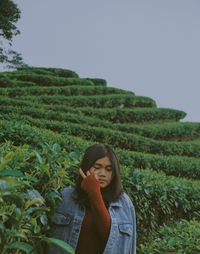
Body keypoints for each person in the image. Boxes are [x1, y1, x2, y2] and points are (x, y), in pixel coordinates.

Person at [47, 143, 136, 254]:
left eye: (109, 169)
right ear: (86, 167)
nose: (103, 174)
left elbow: (115, 240)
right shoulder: (66, 196)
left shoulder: (124, 203)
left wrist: (94, 192)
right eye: (97, 167)